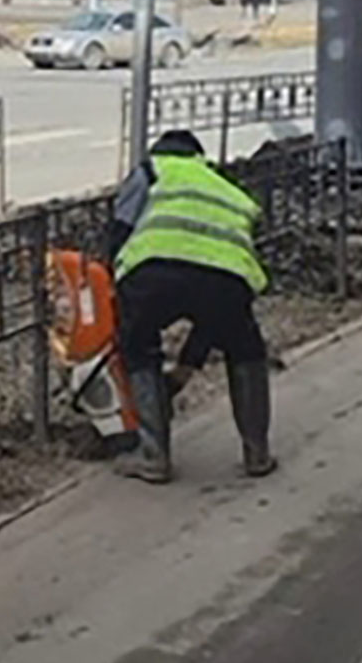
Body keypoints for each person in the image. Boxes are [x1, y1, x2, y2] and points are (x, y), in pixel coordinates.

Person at [108, 129, 276, 484]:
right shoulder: (223, 185)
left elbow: (120, 228)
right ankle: (257, 453)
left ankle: (154, 456)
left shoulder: (151, 171)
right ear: (199, 156)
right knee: (244, 344)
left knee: (138, 345)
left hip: (155, 272)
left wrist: (115, 284)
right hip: (228, 278)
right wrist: (186, 367)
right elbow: (214, 312)